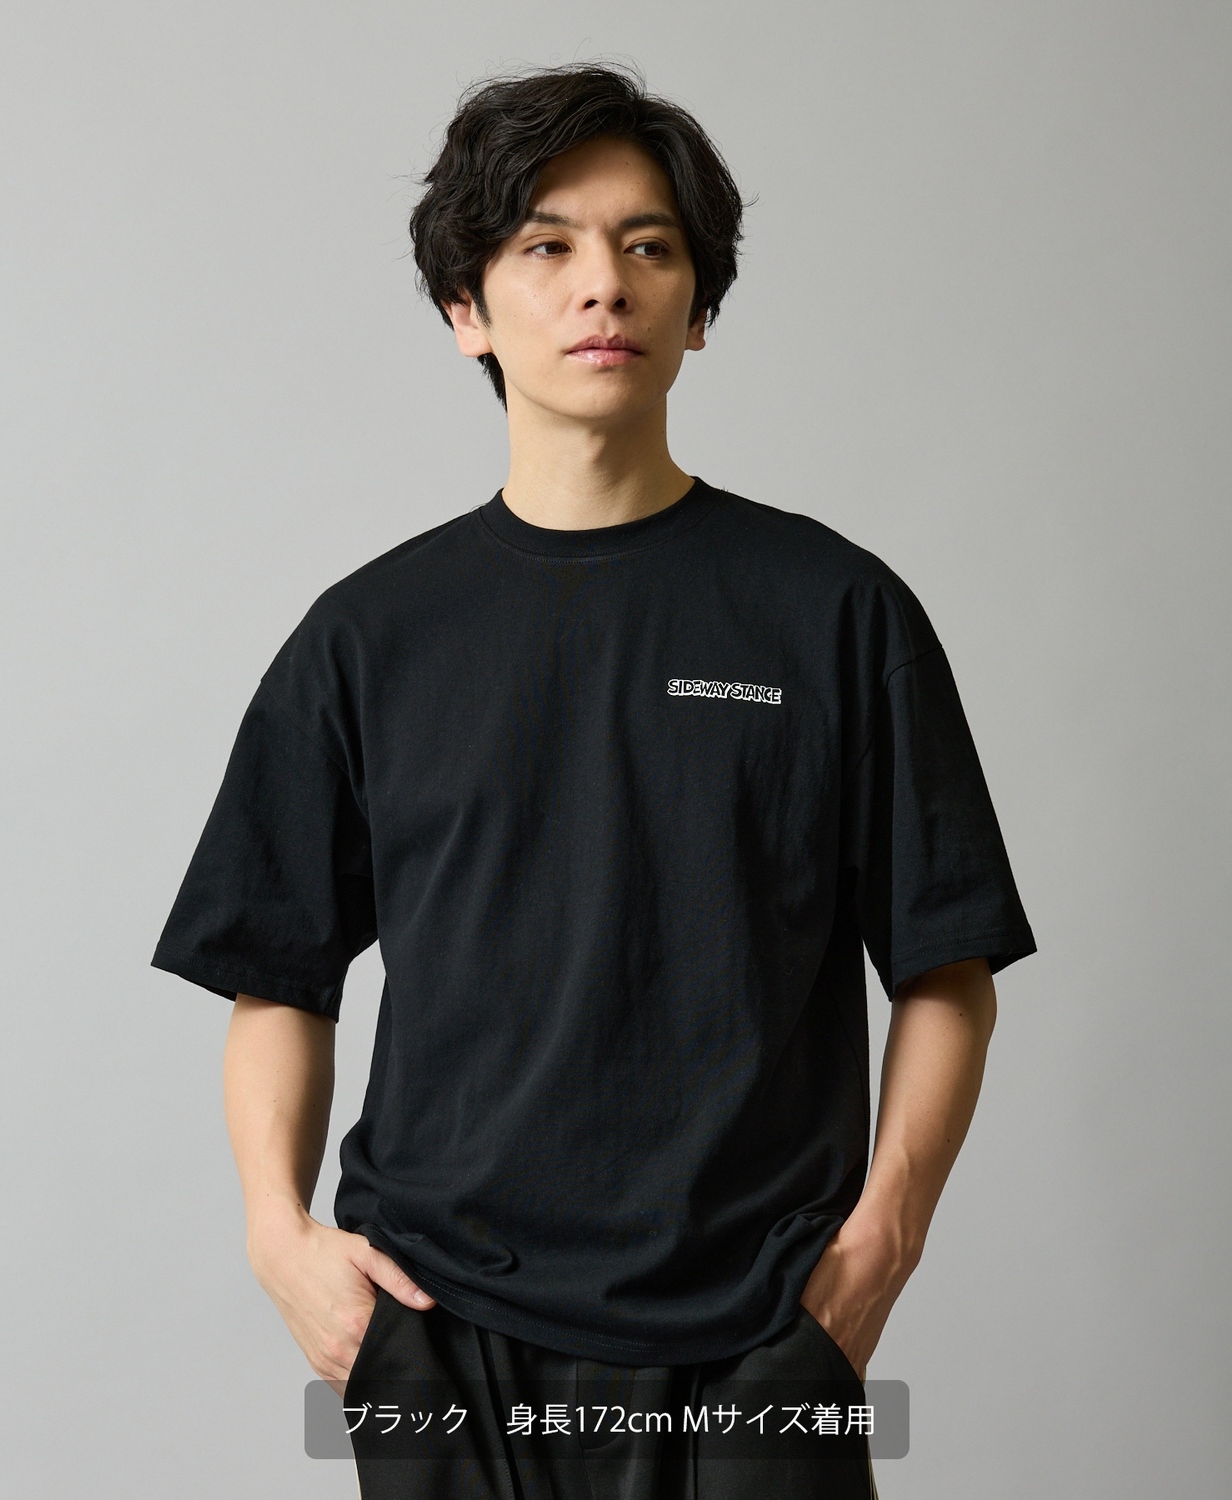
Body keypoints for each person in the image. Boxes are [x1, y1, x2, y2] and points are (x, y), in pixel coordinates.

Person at [153, 62, 1035, 1499]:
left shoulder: (834, 612)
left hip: (761, 1329)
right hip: (440, 1333)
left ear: (699, 305)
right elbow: (272, 975)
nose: (602, 286)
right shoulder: (367, 637)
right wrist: (278, 1235)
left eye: (648, 245)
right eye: (544, 245)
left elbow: (948, 965)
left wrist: (882, 1244)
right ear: (465, 308)